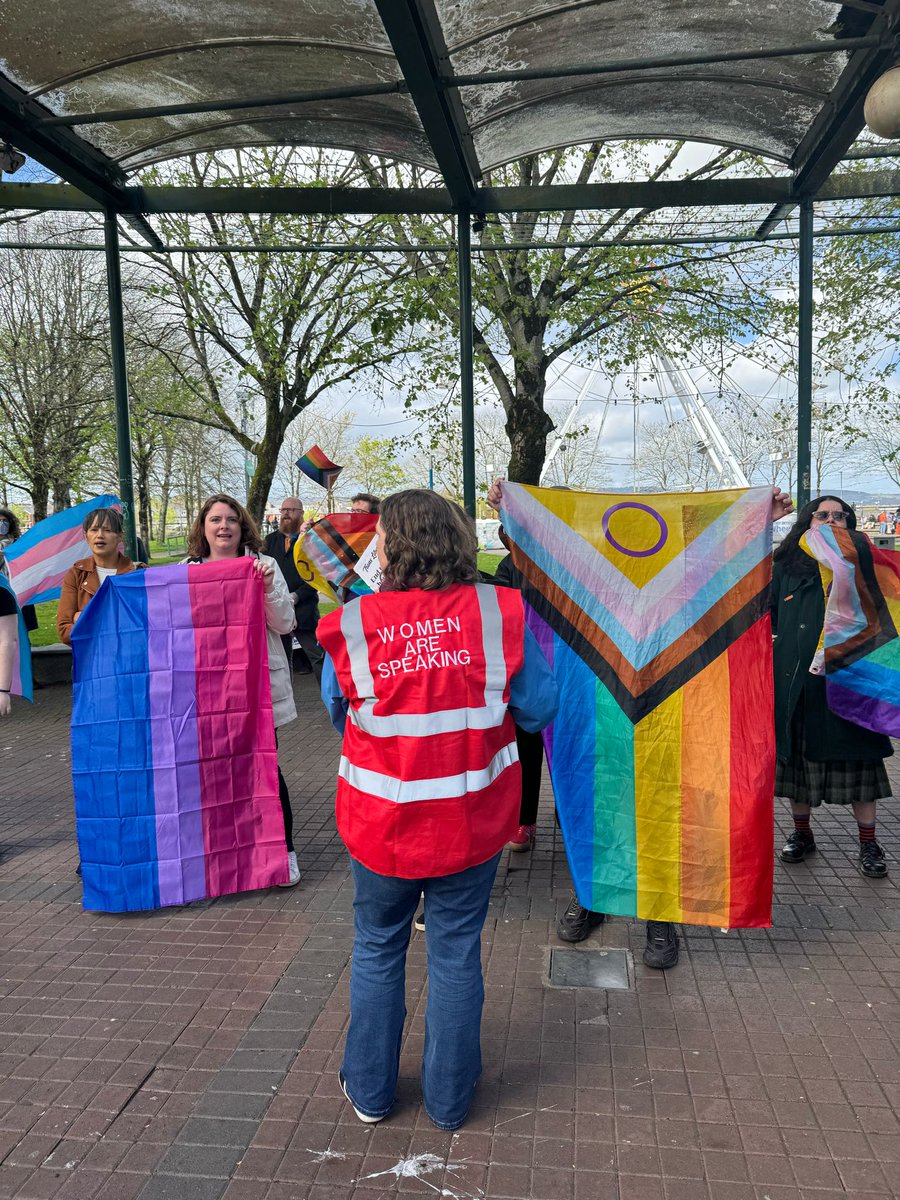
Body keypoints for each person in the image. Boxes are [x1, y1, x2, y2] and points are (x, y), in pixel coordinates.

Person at [317, 489, 557, 1129]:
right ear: (456, 540)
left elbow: (338, 708)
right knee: (454, 952)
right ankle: (449, 1101)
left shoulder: (356, 621)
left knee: (377, 947)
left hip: (380, 823)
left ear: (387, 546)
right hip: (470, 820)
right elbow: (539, 707)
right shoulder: (498, 612)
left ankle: (370, 1091)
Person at [486, 478, 794, 970]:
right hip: (594, 705)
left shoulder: (687, 570)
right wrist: (516, 512)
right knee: (597, 806)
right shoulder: (571, 567)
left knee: (662, 807)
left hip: (671, 703)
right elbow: (522, 578)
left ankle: (659, 915)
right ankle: (595, 897)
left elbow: (725, 567)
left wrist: (760, 521)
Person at [183, 494, 301, 887]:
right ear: (203, 527)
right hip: (206, 693)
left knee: (263, 768)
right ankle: (227, 853)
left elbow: (285, 624)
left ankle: (283, 852)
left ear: (242, 526)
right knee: (214, 772)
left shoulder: (262, 567)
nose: (223, 526)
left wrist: (267, 589)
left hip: (254, 691)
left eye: (231, 519)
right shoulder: (186, 571)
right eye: (215, 519)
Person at [773, 495, 893, 879]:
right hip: (800, 683)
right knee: (798, 768)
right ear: (807, 523)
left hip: (852, 684)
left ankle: (868, 842)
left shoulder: (867, 565)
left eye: (839, 516)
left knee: (860, 766)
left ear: (850, 524)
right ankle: (801, 834)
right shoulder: (786, 567)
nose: (830, 521)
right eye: (821, 515)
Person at [57, 508, 141, 645]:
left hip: (132, 659)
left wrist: (85, 618)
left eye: (107, 530)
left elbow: (146, 624)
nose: (100, 535)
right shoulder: (76, 574)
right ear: (86, 536)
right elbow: (64, 631)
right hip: (91, 661)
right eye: (94, 530)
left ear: (120, 536)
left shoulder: (139, 573)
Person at [263, 497, 323, 678]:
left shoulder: (311, 541)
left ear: (301, 513)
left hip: (304, 610)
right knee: (280, 661)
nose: (285, 513)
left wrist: (296, 596)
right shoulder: (270, 540)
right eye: (283, 510)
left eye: (290, 509)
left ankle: (332, 697)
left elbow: (318, 576)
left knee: (318, 658)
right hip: (277, 610)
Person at [0, 507, 38, 634]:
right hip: (2, 591)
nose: (2, 524)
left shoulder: (18, 544)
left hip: (19, 591)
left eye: (5, 521)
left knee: (20, 630)